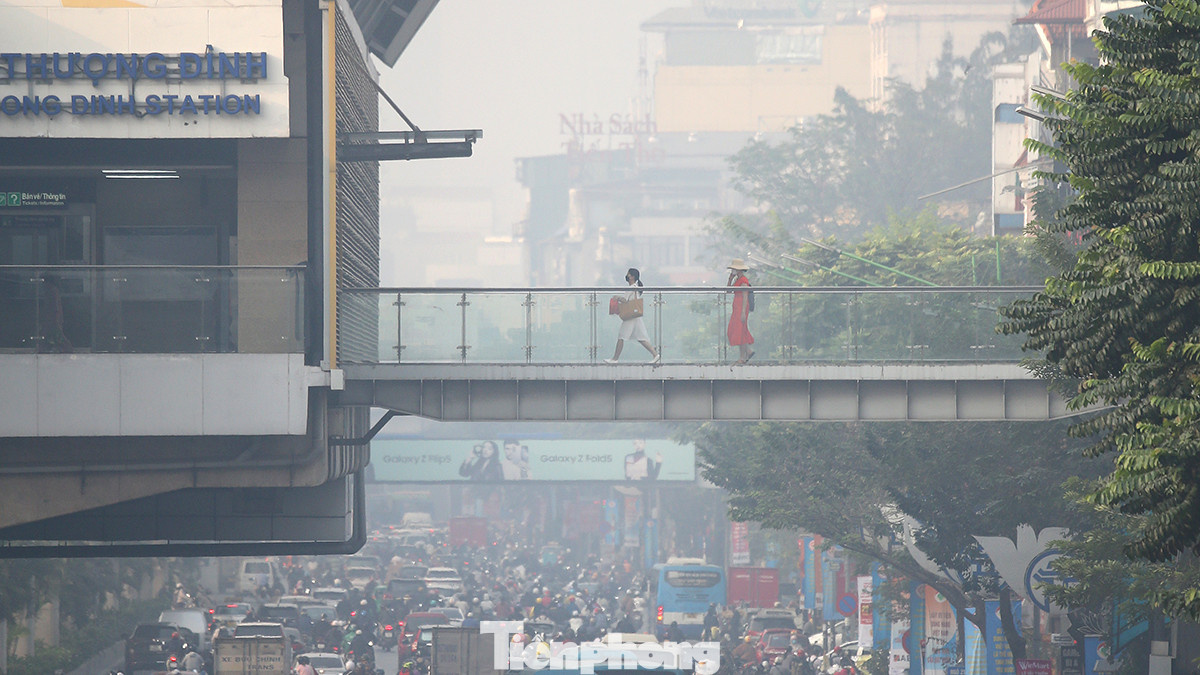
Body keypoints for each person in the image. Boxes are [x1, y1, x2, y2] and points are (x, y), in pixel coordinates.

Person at [605, 268, 660, 364]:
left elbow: (625, 300)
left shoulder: (632, 287)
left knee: (621, 336)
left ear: (632, 277)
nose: (627, 276)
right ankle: (655, 355)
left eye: (628, 274)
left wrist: (617, 297)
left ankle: (615, 358)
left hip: (631, 317)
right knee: (641, 337)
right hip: (635, 316)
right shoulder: (635, 287)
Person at [726, 259, 755, 364]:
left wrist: (743, 312)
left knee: (739, 330)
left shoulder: (743, 281)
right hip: (736, 307)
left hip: (741, 308)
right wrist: (730, 279)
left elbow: (745, 296)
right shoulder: (737, 280)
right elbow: (728, 291)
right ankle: (747, 352)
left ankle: (743, 356)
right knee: (735, 330)